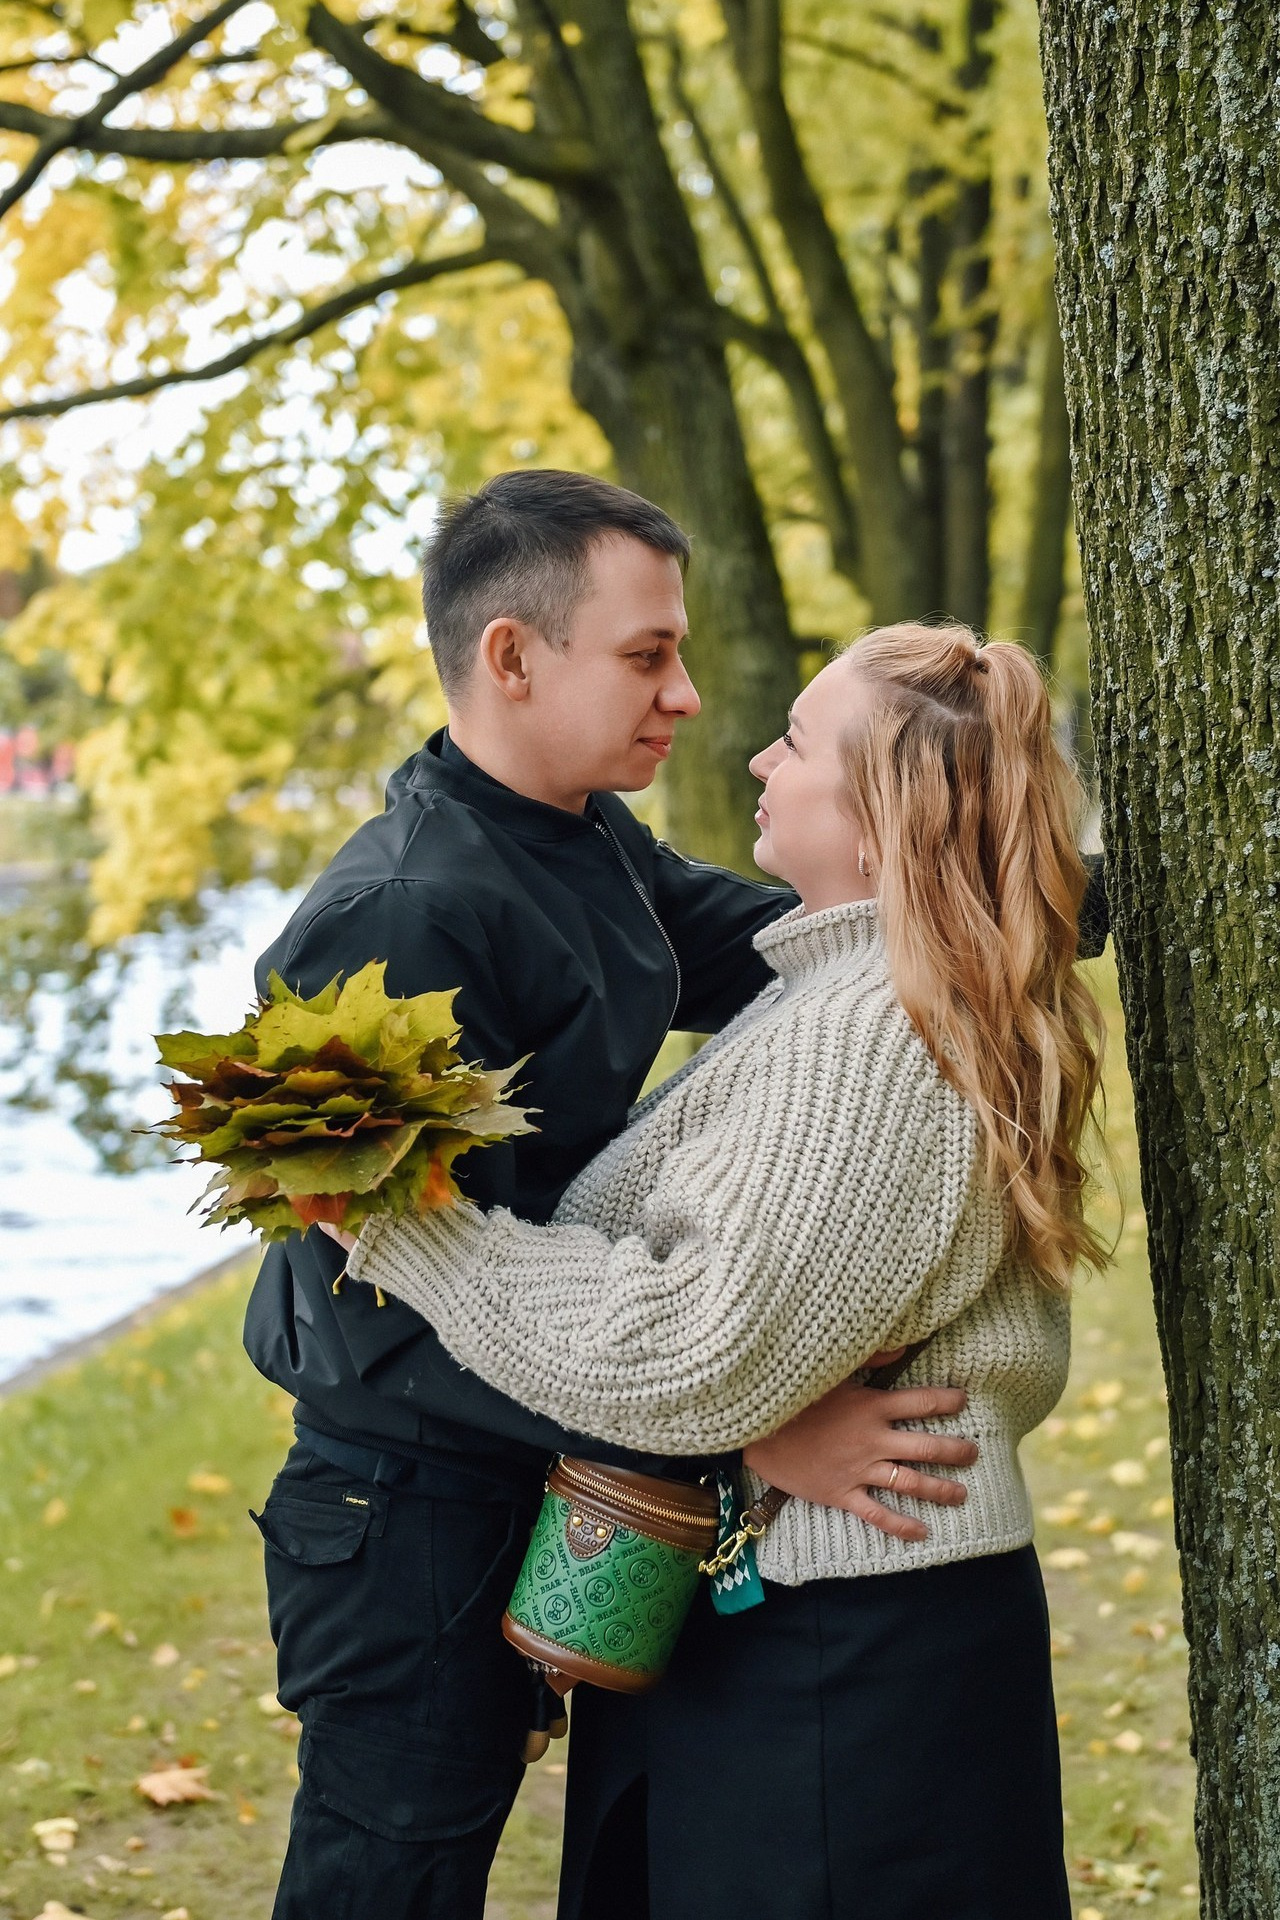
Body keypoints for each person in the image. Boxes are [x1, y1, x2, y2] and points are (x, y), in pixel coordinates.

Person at [244, 474, 990, 1920]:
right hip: (402, 1509)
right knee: (384, 1886)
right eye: (647, 656)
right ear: (513, 656)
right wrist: (745, 1421)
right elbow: (370, 1308)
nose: (690, 696)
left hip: (550, 1474)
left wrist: (1037, 870)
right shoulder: (401, 913)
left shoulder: (587, 838)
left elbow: (796, 935)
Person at [346, 620, 1110, 1919]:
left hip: (842, 1655)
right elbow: (749, 1344)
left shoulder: (875, 1032)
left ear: (881, 816)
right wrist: (752, 1443)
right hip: (789, 1604)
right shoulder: (840, 989)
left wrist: (402, 1221)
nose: (756, 754)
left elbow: (690, 1349)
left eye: (799, 740)